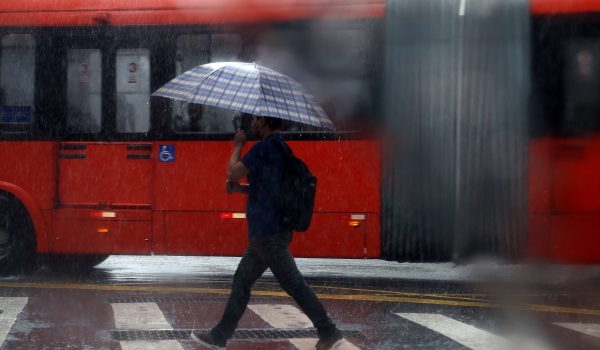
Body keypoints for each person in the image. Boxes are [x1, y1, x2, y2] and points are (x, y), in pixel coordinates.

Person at [191, 115, 343, 350]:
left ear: (263, 122)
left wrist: (237, 147)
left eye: (255, 119)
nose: (251, 123)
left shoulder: (262, 148)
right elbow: (268, 188)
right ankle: (220, 336)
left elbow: (232, 171)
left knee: (295, 285)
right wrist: (242, 189)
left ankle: (329, 331)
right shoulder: (280, 147)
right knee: (242, 281)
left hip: (267, 234)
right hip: (270, 232)